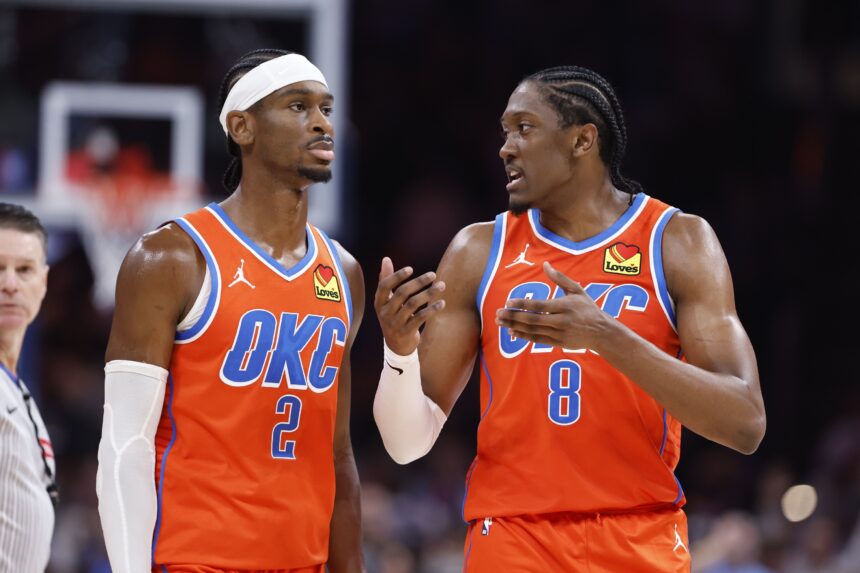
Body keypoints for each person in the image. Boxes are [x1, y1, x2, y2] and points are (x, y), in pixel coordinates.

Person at [373, 66, 766, 571]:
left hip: (638, 534)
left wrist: (605, 336)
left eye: (525, 128)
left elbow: (746, 422)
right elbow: (407, 444)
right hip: (513, 537)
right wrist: (399, 351)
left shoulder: (677, 242)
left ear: (582, 140)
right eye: (504, 132)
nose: (506, 147)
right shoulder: (478, 251)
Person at [97, 49, 365, 573]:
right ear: (243, 127)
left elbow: (337, 456)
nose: (320, 122)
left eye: (326, 109)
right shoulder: (171, 257)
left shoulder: (343, 272)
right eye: (297, 106)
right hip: (198, 561)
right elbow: (124, 443)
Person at [0, 202, 56, 572]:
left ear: (43, 281)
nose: (10, 283)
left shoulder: (18, 385)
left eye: (24, 270)